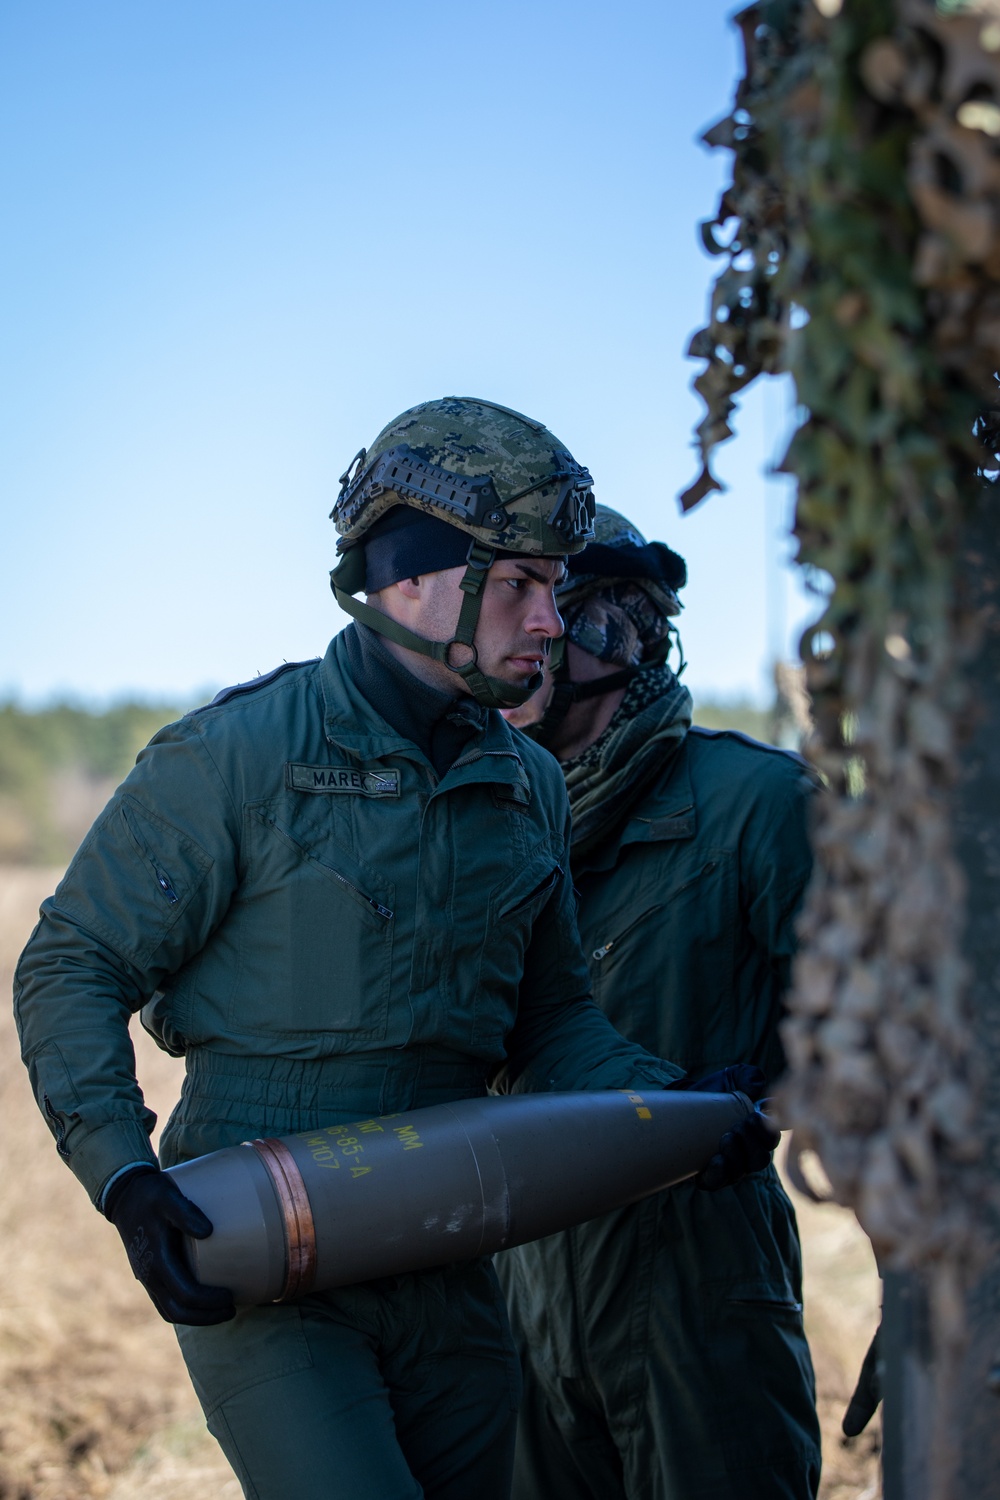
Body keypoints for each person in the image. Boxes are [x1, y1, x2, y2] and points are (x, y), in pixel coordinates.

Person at [13, 401, 773, 1500]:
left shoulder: (528, 787)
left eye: (555, 587)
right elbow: (73, 964)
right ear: (412, 580)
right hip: (271, 1253)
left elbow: (553, 1024)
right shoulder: (235, 758)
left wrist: (675, 1113)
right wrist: (123, 1174)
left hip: (458, 1252)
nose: (551, 621)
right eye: (521, 584)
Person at [498, 503, 823, 1500]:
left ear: (614, 634)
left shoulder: (754, 805)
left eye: (548, 611)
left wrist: (759, 1101)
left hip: (696, 1292)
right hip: (517, 1301)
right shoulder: (485, 827)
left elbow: (881, 1033)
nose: (520, 642)